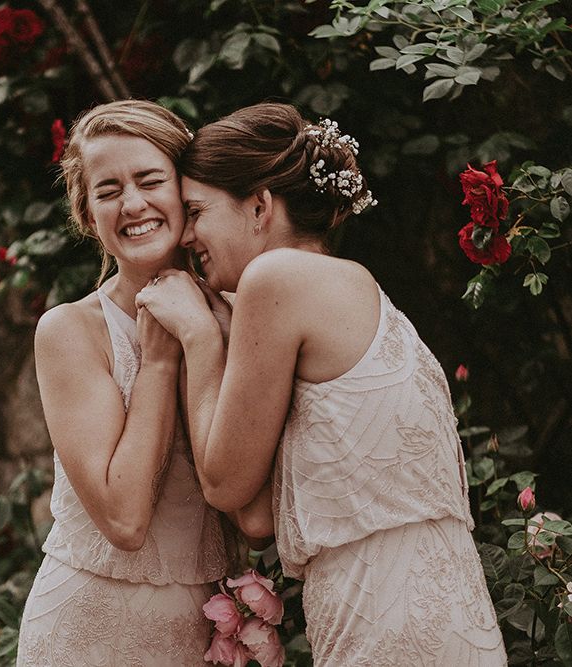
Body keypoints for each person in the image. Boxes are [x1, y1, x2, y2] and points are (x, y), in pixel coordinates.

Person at [136, 102, 508, 665]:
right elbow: (258, 519)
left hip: (390, 624)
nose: (186, 235)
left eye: (196, 211)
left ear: (260, 206)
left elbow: (224, 483)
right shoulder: (346, 289)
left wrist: (200, 338)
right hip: (424, 614)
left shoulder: (279, 277)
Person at [16, 100, 231, 667]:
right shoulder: (71, 331)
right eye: (108, 190)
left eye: (150, 180)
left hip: (202, 634)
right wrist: (158, 365)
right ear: (88, 216)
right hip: (87, 632)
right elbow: (124, 519)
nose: (133, 204)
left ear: (185, 190)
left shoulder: (238, 315)